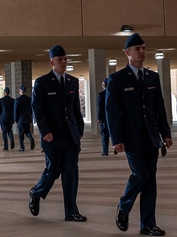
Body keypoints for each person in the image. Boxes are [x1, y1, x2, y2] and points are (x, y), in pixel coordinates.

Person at [105, 33, 172, 236]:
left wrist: (165, 133)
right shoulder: (116, 80)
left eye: (144, 48)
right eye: (138, 49)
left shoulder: (153, 77)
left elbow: (159, 107)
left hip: (151, 136)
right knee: (140, 175)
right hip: (131, 137)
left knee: (150, 180)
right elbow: (112, 112)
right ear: (127, 53)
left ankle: (148, 224)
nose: (142, 52)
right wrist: (117, 139)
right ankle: (124, 206)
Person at [27, 45, 86, 222]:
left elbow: (76, 109)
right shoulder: (42, 82)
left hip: (70, 136)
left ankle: (71, 211)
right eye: (60, 59)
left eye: (65, 59)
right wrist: (45, 131)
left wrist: (79, 130)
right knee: (53, 171)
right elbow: (38, 109)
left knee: (71, 173)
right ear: (51, 61)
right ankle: (36, 193)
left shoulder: (72, 82)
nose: (64, 62)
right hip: (51, 135)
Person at [14, 86, 35, 151]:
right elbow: (32, 109)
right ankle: (31, 138)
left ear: (20, 91)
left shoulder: (17, 100)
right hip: (28, 118)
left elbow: (16, 110)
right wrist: (31, 116)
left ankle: (22, 147)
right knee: (27, 131)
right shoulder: (29, 99)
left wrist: (15, 119)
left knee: (21, 133)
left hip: (20, 119)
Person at [96, 79, 110, 156]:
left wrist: (99, 118)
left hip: (104, 118)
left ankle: (105, 151)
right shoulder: (114, 93)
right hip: (114, 118)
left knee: (104, 135)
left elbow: (99, 107)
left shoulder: (101, 94)